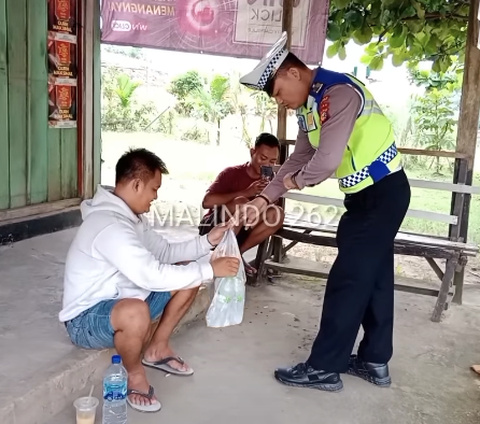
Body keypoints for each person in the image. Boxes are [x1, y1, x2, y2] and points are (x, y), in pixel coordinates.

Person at [236, 32, 411, 392]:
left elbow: (325, 162)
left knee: (347, 281)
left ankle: (323, 368)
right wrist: (264, 198)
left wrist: (294, 184)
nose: (281, 103)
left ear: (294, 74)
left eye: (279, 93)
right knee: (374, 278)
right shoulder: (311, 106)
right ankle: (374, 360)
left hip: (381, 195)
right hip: (366, 199)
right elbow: (299, 156)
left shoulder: (339, 93)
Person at [59, 148, 240, 413]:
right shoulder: (109, 225)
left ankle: (157, 348)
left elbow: (166, 253)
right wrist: (211, 270)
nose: (156, 196)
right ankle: (134, 373)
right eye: (154, 189)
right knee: (137, 310)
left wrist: (209, 241)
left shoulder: (131, 218)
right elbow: (151, 275)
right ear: (136, 184)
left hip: (124, 303)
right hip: (87, 319)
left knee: (187, 275)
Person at [199, 132, 285, 276]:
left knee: (277, 213)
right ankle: (224, 256)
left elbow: (270, 215)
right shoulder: (232, 173)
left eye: (272, 161)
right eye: (263, 158)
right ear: (252, 152)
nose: (267, 165)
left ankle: (237, 254)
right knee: (242, 203)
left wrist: (265, 198)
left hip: (244, 230)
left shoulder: (272, 181)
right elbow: (207, 202)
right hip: (214, 227)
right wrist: (246, 192)